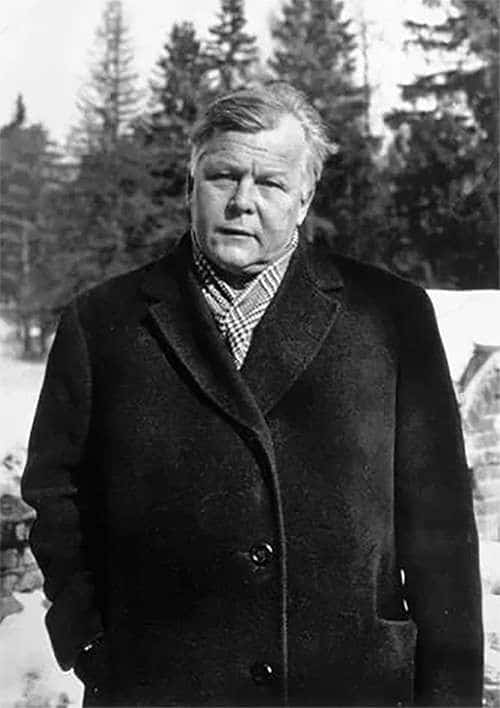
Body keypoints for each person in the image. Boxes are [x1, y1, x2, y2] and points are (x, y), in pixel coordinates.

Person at [22, 82, 483, 707]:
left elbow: (440, 527)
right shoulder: (103, 321)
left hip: (348, 688)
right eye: (223, 176)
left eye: (269, 182)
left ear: (304, 197)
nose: (242, 201)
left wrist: (449, 694)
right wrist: (90, 643)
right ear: (191, 184)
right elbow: (55, 496)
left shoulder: (390, 315)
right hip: (159, 688)